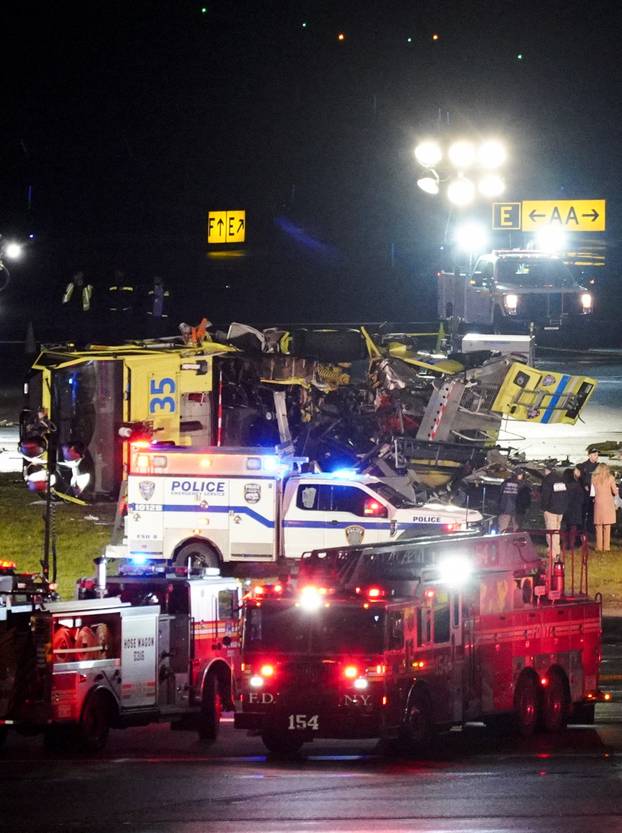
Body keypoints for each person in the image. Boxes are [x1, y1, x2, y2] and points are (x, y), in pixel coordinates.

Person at [540, 464, 568, 557]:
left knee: (550, 532)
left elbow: (545, 495)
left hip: (551, 510)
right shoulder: (561, 480)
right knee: (556, 531)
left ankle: (552, 552)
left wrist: (544, 508)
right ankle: (557, 550)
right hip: (560, 510)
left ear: (547, 470)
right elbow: (564, 495)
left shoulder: (547, 480)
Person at [591, 462, 618, 552]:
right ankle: (606, 547)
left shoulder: (594, 478)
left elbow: (592, 492)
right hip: (608, 503)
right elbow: (615, 491)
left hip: (598, 502)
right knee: (607, 525)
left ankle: (599, 547)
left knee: (598, 526)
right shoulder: (610, 478)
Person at [562, 467, 584, 550]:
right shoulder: (576, 485)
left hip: (567, 508)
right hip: (575, 508)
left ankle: (566, 544)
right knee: (573, 528)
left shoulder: (564, 484)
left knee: (567, 527)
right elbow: (581, 497)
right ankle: (571, 545)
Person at [578, 447, 599, 531]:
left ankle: (591, 529)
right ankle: (582, 529)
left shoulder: (599, 466)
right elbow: (581, 479)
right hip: (585, 494)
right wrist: (585, 485)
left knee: (593, 512)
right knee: (583, 512)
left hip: (596, 493)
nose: (597, 456)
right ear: (589, 455)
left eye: (597, 455)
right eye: (595, 454)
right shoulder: (583, 466)